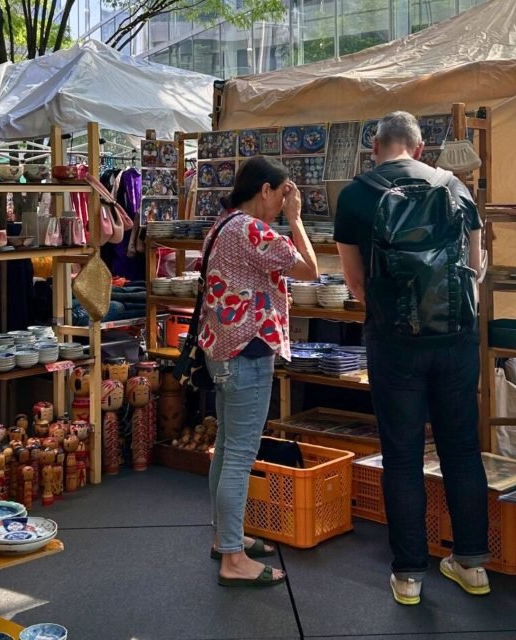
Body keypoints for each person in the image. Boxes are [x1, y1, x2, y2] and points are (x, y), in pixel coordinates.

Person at [334, 111, 489, 606]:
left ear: (375, 147)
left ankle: (409, 577)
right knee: (461, 449)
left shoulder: (356, 195)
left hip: (394, 341)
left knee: (402, 455)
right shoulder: (455, 187)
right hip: (456, 338)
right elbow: (476, 266)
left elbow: (354, 281)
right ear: (420, 148)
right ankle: (472, 564)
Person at [199, 156, 319, 588]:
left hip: (223, 348)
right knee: (238, 455)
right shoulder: (252, 229)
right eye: (283, 194)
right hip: (247, 350)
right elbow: (310, 269)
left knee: (227, 447)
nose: (284, 203)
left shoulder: (223, 225)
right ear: (265, 190)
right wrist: (296, 219)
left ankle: (226, 539)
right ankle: (233, 558)